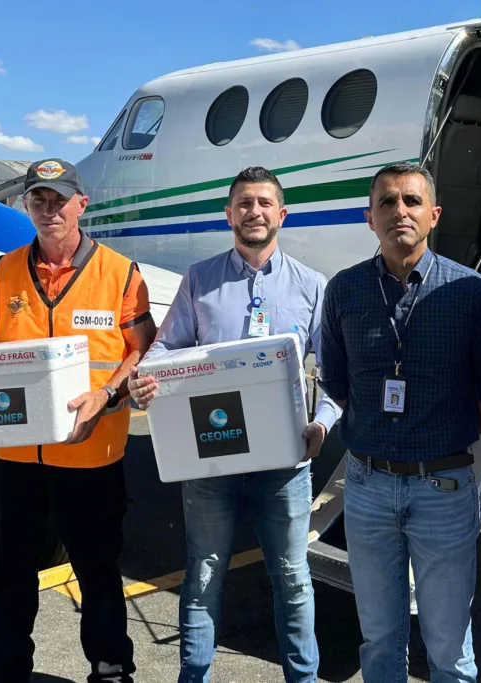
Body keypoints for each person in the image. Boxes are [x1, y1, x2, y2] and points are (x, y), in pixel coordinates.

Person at [127, 166, 341, 683]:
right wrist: (144, 379)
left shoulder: (312, 286)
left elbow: (337, 376)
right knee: (203, 575)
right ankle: (193, 676)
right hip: (212, 456)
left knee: (293, 580)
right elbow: (164, 349)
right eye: (244, 203)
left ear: (282, 214)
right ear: (229, 214)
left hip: (285, 463)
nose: (254, 212)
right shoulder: (199, 279)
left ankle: (303, 679)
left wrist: (322, 426)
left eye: (265, 203)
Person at [319, 161, 481, 682]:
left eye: (411, 201)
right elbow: (337, 382)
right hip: (366, 487)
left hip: (443, 488)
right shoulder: (345, 291)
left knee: (449, 647)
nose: (399, 211)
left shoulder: (472, 293)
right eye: (386, 202)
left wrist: (438, 435)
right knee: (379, 639)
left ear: (434, 215)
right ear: (369, 217)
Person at [0, 158, 155, 683]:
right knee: (10, 571)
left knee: (98, 572)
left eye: (59, 199)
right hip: (18, 455)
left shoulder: (120, 273)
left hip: (91, 454)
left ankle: (111, 670)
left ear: (81, 204)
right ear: (26, 205)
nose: (49, 209)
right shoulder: (5, 270)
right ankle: (6, 671)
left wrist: (106, 394)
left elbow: (143, 350)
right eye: (38, 199)